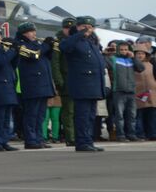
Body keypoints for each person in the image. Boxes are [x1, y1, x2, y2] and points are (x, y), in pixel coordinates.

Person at [60, 16, 105, 152]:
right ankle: (82, 142)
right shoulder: (74, 40)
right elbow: (65, 47)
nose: (87, 29)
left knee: (91, 116)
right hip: (82, 85)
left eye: (90, 27)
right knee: (82, 116)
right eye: (84, 26)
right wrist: (79, 34)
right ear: (78, 27)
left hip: (93, 85)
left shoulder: (92, 42)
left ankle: (88, 141)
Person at [14, 23, 55, 148]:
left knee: (40, 115)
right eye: (31, 32)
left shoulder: (38, 44)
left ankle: (39, 138)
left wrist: (51, 47)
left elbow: (47, 58)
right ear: (24, 33)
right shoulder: (20, 45)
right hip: (32, 84)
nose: (34, 34)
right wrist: (46, 46)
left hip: (43, 84)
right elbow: (34, 55)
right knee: (31, 114)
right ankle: (30, 140)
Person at [108, 40, 138, 141]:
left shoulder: (131, 60)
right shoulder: (114, 59)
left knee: (132, 115)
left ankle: (131, 134)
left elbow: (141, 68)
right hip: (119, 91)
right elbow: (105, 63)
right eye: (121, 49)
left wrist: (134, 57)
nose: (124, 51)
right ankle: (120, 135)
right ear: (118, 50)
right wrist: (105, 53)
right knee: (119, 115)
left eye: (126, 49)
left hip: (131, 91)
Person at [132, 39, 155, 140]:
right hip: (138, 94)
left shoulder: (151, 65)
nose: (140, 55)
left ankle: (152, 134)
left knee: (152, 116)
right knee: (139, 116)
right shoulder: (132, 65)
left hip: (152, 94)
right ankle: (140, 134)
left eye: (142, 53)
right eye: (138, 53)